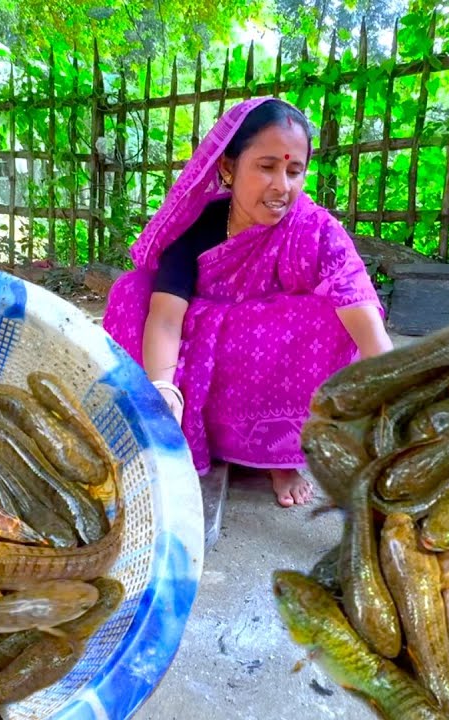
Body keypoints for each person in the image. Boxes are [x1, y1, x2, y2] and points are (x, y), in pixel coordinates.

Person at [102, 96, 393, 507]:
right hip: (197, 364)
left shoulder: (314, 230)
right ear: (227, 167)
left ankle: (279, 453)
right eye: (266, 166)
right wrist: (163, 388)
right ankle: (182, 427)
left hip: (270, 363)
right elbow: (166, 320)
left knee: (331, 316)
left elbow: (366, 323)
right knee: (131, 294)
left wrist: (400, 406)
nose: (282, 186)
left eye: (295, 171)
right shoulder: (195, 228)